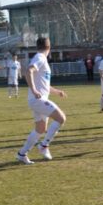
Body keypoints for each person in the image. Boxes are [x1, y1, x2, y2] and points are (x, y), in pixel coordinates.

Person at [16, 37, 67, 165]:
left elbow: (44, 85)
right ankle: (44, 146)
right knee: (61, 118)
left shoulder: (40, 58)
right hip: (38, 100)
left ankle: (22, 154)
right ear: (49, 48)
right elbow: (29, 71)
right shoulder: (40, 57)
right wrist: (34, 90)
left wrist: (56, 91)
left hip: (37, 99)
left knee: (40, 129)